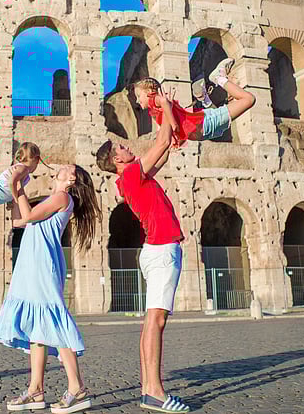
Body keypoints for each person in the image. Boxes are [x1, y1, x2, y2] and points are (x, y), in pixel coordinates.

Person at [95, 88, 192, 413]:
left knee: (154, 321)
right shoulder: (132, 174)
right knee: (155, 321)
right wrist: (164, 108)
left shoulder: (134, 177)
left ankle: (151, 388)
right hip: (162, 249)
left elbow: (164, 151)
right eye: (120, 146)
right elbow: (161, 144)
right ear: (117, 160)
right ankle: (154, 391)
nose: (126, 145)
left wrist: (172, 127)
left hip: (159, 249)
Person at [0, 164, 103, 414]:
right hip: (32, 262)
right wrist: (16, 189)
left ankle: (77, 389)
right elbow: (19, 221)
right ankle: (35, 390)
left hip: (42, 263)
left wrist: (15, 185)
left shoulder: (62, 197)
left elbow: (29, 216)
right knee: (38, 328)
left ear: (71, 179)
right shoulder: (54, 199)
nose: (61, 166)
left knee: (52, 323)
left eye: (67, 167)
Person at [131, 57, 256, 147]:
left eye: (138, 95)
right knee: (241, 102)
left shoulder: (154, 100)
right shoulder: (154, 111)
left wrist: (174, 126)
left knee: (248, 99)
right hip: (203, 128)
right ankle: (206, 99)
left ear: (149, 91)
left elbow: (164, 102)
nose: (137, 100)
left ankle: (219, 78)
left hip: (204, 123)